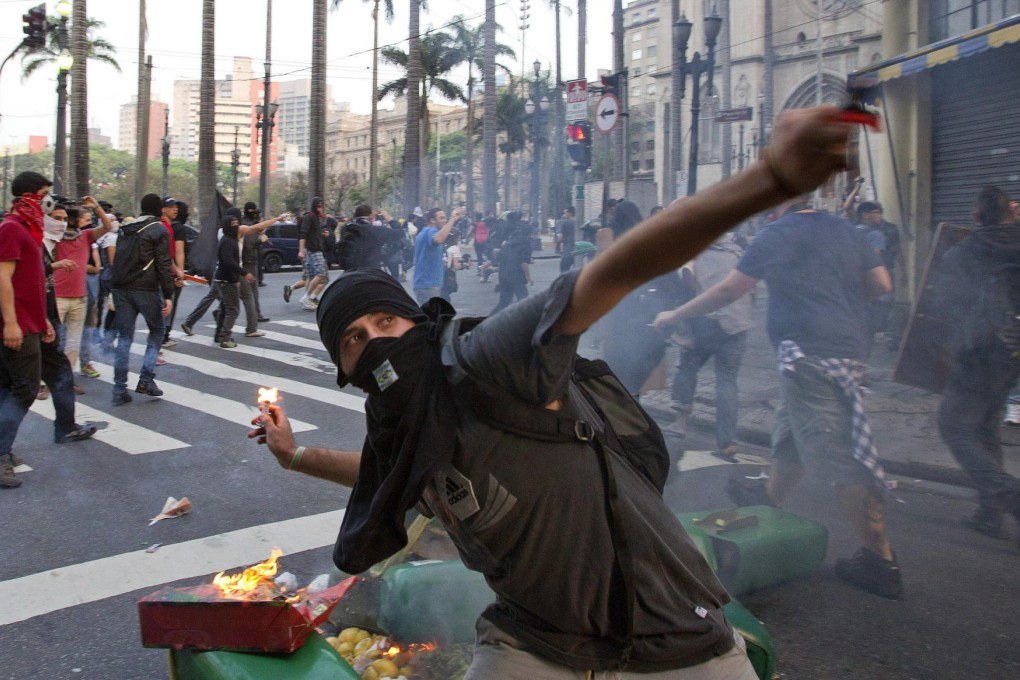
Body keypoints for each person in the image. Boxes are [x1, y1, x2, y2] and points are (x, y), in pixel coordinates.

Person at [250, 106, 858, 675]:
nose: (377, 342)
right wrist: (293, 454)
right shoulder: (404, 423)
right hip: (534, 640)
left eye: (387, 322)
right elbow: (387, 471)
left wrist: (771, 178)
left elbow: (612, 272)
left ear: (416, 319)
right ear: (345, 368)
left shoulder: (485, 358)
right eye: (355, 340)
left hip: (672, 637)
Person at [660, 189, 900, 598]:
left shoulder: (778, 233)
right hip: (847, 350)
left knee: (839, 456)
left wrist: (674, 314)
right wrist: (834, 302)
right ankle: (768, 498)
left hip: (809, 356)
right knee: (791, 437)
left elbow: (727, 291)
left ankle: (880, 561)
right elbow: (881, 283)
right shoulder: (845, 228)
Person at [933, 186, 1020, 541]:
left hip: (980, 353)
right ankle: (989, 514)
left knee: (953, 426)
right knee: (985, 427)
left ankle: (1009, 496)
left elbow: (945, 306)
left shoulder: (963, 253)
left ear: (975, 217)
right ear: (1011, 213)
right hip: (1013, 354)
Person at [654, 232, 753, 461]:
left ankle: (680, 424)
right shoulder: (736, 250)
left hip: (709, 321)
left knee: (687, 364)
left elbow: (686, 284)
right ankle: (727, 442)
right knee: (727, 381)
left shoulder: (694, 252)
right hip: (738, 322)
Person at [0, 172, 57, 487]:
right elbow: (3, 278)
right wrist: (11, 322)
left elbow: (29, 282)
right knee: (25, 388)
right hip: (16, 325)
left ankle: (3, 450)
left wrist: (42, 318)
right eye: (44, 194)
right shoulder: (11, 228)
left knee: (8, 387)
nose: (47, 201)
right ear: (29, 197)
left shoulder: (28, 229)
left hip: (27, 322)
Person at [109, 193, 174, 405]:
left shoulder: (126, 228)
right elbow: (164, 264)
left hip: (121, 288)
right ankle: (146, 379)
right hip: (145, 288)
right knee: (157, 330)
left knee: (124, 338)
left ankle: (119, 389)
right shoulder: (159, 229)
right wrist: (168, 294)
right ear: (159, 209)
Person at [53, 199, 114, 393]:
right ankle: (46, 381)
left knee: (72, 343)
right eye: (64, 220)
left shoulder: (86, 236)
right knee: (55, 341)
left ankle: (67, 381)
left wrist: (96, 207)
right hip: (58, 297)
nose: (69, 223)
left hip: (80, 297)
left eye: (71, 219)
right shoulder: (55, 238)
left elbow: (108, 226)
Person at [211, 214, 256, 349]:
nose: (236, 227)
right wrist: (244, 274)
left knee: (227, 308)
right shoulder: (228, 241)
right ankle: (224, 337)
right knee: (233, 310)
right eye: (233, 225)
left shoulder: (230, 239)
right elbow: (229, 262)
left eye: (237, 224)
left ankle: (221, 334)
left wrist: (237, 278)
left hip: (228, 279)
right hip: (226, 280)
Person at [412, 206, 464, 305]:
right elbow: (438, 240)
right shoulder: (430, 231)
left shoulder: (424, 232)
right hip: (428, 285)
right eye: (441, 218)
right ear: (432, 220)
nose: (444, 220)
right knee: (432, 318)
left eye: (445, 217)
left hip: (428, 284)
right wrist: (452, 220)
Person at [160, 198, 186, 348]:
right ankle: (163, 335)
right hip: (169, 272)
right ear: (163, 209)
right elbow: (178, 251)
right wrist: (179, 273)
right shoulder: (172, 228)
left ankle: (162, 335)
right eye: (171, 207)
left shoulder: (164, 226)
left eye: (176, 207)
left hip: (163, 270)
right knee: (169, 303)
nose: (175, 209)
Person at [296, 196, 329, 311]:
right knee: (321, 274)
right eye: (318, 205)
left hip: (311, 250)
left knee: (311, 276)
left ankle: (308, 298)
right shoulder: (309, 217)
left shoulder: (316, 218)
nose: (320, 207)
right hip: (313, 250)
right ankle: (307, 297)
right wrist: (301, 250)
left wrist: (322, 234)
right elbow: (303, 234)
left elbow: (312, 234)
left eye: (321, 205)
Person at [556, 205, 576, 273]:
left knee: (564, 273)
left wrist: (559, 243)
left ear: (570, 213)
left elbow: (560, 237)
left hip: (567, 252)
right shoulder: (581, 222)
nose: (564, 215)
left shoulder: (564, 222)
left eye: (565, 213)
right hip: (579, 253)